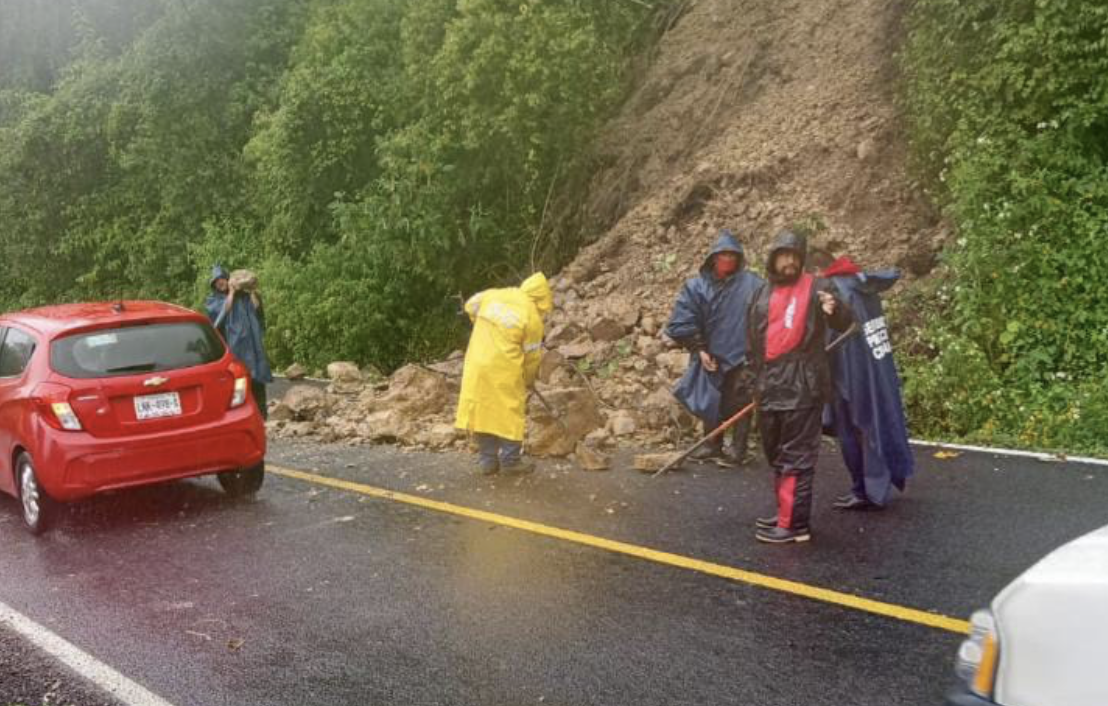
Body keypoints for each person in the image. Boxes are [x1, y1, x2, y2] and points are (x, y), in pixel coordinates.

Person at [746, 230, 853, 543]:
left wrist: (835, 310)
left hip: (803, 386)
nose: (790, 261)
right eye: (784, 255)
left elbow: (844, 320)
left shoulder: (819, 287)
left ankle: (794, 524)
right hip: (769, 386)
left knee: (797, 456)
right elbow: (751, 342)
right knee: (776, 453)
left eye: (795, 255)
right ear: (773, 258)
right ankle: (785, 513)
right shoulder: (760, 294)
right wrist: (752, 382)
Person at [819, 255, 914, 510]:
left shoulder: (836, 290)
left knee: (850, 431)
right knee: (876, 423)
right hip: (875, 369)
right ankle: (873, 487)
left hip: (847, 375)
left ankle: (862, 490)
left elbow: (831, 337)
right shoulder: (865, 287)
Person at [664, 229, 764, 466]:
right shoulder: (697, 287)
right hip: (710, 353)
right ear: (713, 258)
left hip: (743, 354)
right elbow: (683, 319)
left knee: (741, 399)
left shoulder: (753, 284)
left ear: (739, 258)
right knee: (711, 398)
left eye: (732, 255)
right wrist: (699, 348)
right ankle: (712, 444)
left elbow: (768, 312)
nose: (728, 259)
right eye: (723, 255)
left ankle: (737, 450)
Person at [454, 272, 553, 476]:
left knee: (483, 410)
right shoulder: (532, 318)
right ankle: (510, 461)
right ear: (540, 299)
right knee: (510, 412)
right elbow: (532, 358)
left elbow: (470, 306)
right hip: (503, 369)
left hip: (476, 363)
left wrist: (482, 325)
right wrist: (528, 379)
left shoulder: (495, 294)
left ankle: (488, 462)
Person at [205, 264, 274, 419]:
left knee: (258, 378)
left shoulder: (243, 296)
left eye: (222, 279)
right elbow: (220, 316)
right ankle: (242, 415)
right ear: (213, 284)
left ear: (227, 279)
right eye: (217, 281)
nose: (220, 283)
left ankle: (262, 416)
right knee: (240, 380)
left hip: (252, 343)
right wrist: (231, 293)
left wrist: (252, 292)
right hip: (234, 345)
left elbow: (256, 308)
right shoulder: (213, 300)